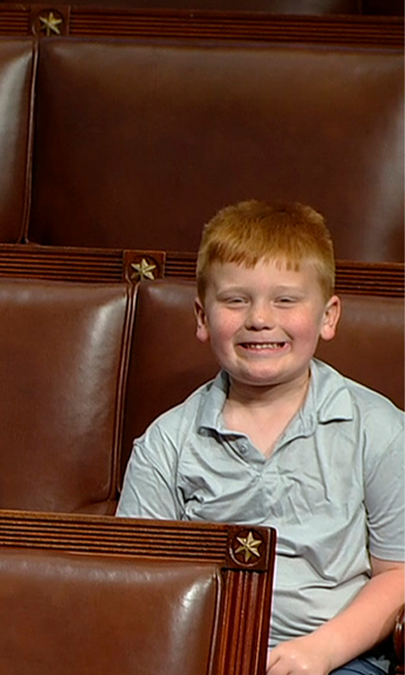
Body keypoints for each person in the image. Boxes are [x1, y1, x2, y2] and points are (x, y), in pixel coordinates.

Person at [117, 200, 404, 675]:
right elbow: (136, 583)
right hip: (200, 654)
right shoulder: (166, 443)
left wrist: (319, 652)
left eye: (286, 300)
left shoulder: (379, 430)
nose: (259, 319)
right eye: (235, 300)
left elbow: (397, 576)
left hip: (338, 657)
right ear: (203, 318)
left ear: (328, 316)